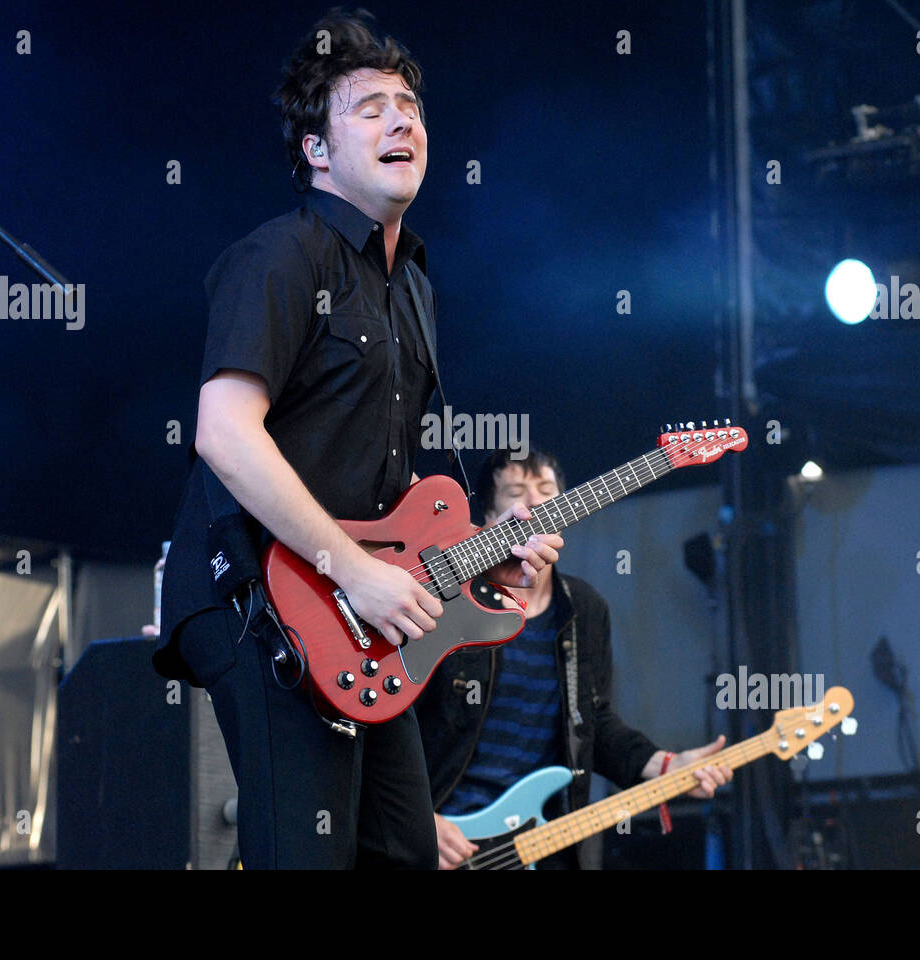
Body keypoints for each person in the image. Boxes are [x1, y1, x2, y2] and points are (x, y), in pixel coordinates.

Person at [151, 10, 560, 869]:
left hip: (356, 615)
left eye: (409, 105)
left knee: (403, 854)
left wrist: (469, 558)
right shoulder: (280, 257)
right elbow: (224, 434)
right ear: (317, 151)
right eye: (370, 106)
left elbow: (397, 499)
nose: (402, 119)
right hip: (251, 595)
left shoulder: (414, 283)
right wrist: (351, 568)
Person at [418, 448, 733, 869]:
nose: (533, 503)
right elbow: (391, 722)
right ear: (489, 520)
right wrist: (414, 820)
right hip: (442, 839)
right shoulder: (451, 602)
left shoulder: (584, 608)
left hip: (539, 844)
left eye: (546, 491)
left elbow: (593, 722)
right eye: (516, 492)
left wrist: (666, 763)